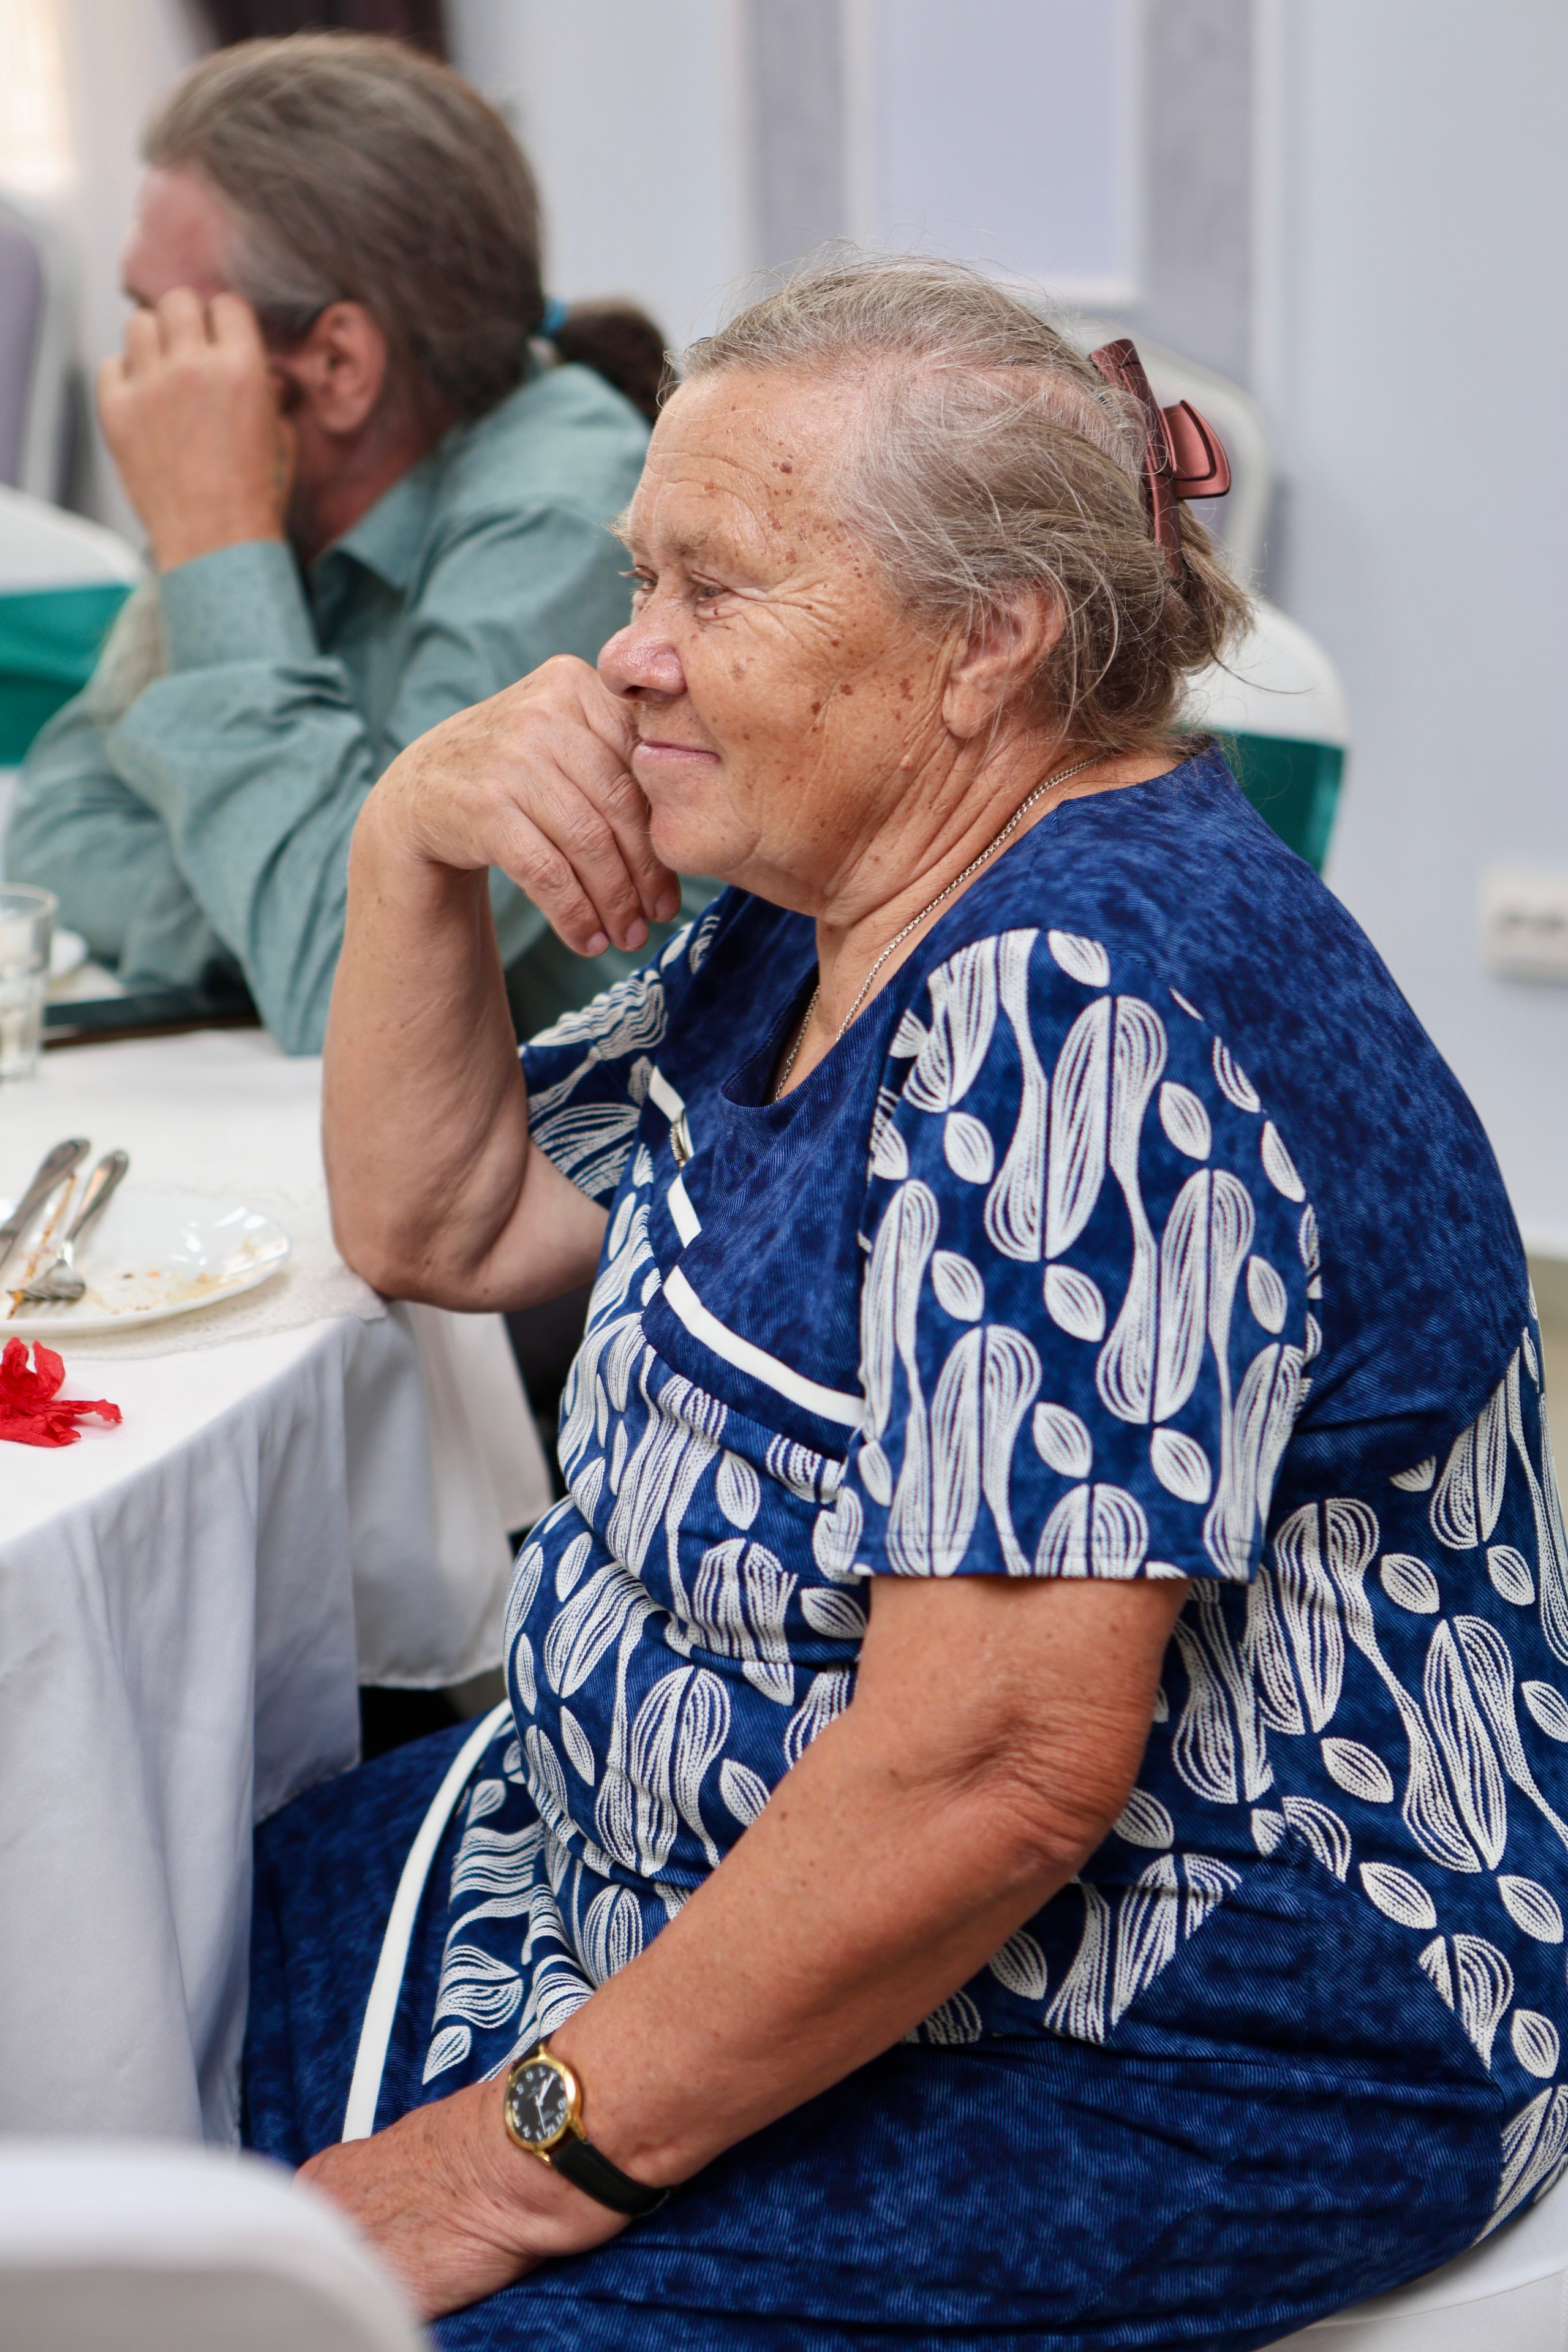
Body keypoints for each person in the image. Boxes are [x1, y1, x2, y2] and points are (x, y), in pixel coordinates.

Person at [246, 257, 1568, 2348]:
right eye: (638, 577)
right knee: (219, 1933)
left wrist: (505, 2163)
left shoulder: (1085, 1012)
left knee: (332, 2301)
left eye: (714, 589)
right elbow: (447, 1222)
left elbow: (997, 1781)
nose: (630, 656)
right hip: (699, 1870)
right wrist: (414, 843)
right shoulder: (819, 903)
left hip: (1157, 2026)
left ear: (987, 648)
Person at [5, 35, 692, 1054]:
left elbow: (342, 980)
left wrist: (213, 545)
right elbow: (55, 835)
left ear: (335, 362)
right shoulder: (276, 481)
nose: (133, 379)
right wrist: (260, 907)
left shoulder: (559, 512)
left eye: (164, 324)